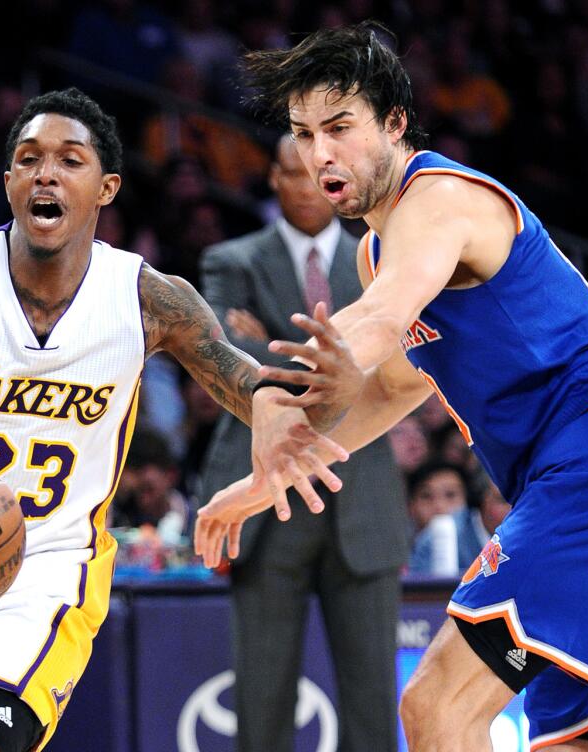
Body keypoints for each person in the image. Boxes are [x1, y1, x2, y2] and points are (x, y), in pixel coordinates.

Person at [0, 87, 356, 752]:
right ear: (9, 181)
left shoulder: (150, 299)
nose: (46, 173)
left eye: (71, 160)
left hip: (45, 568)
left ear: (106, 188)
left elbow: (238, 376)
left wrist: (272, 410)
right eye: (29, 158)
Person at [195, 23, 588, 752]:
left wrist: (329, 358)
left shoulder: (437, 200)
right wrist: (265, 477)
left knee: (435, 710)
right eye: (303, 135)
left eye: (340, 127)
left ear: (394, 123)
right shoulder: (378, 246)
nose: (320, 154)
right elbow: (396, 387)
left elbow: (384, 315)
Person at [198, 134, 407, 752]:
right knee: (262, 703)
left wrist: (270, 346)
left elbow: (396, 360)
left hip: (362, 497)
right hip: (269, 501)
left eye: (318, 175)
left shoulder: (379, 260)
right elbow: (219, 360)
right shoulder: (229, 260)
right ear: (273, 179)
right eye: (293, 173)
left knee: (372, 705)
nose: (307, 186)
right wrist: (343, 366)